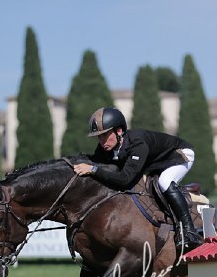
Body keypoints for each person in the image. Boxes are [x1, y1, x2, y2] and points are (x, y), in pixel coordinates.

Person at [74, 106, 202, 250]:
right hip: (156, 162)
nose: (102, 141)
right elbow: (96, 161)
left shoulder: (138, 144)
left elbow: (124, 180)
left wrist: (93, 170)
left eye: (105, 135)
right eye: (99, 137)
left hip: (179, 155)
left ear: (119, 131)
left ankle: (189, 231)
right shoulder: (106, 147)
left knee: (164, 182)